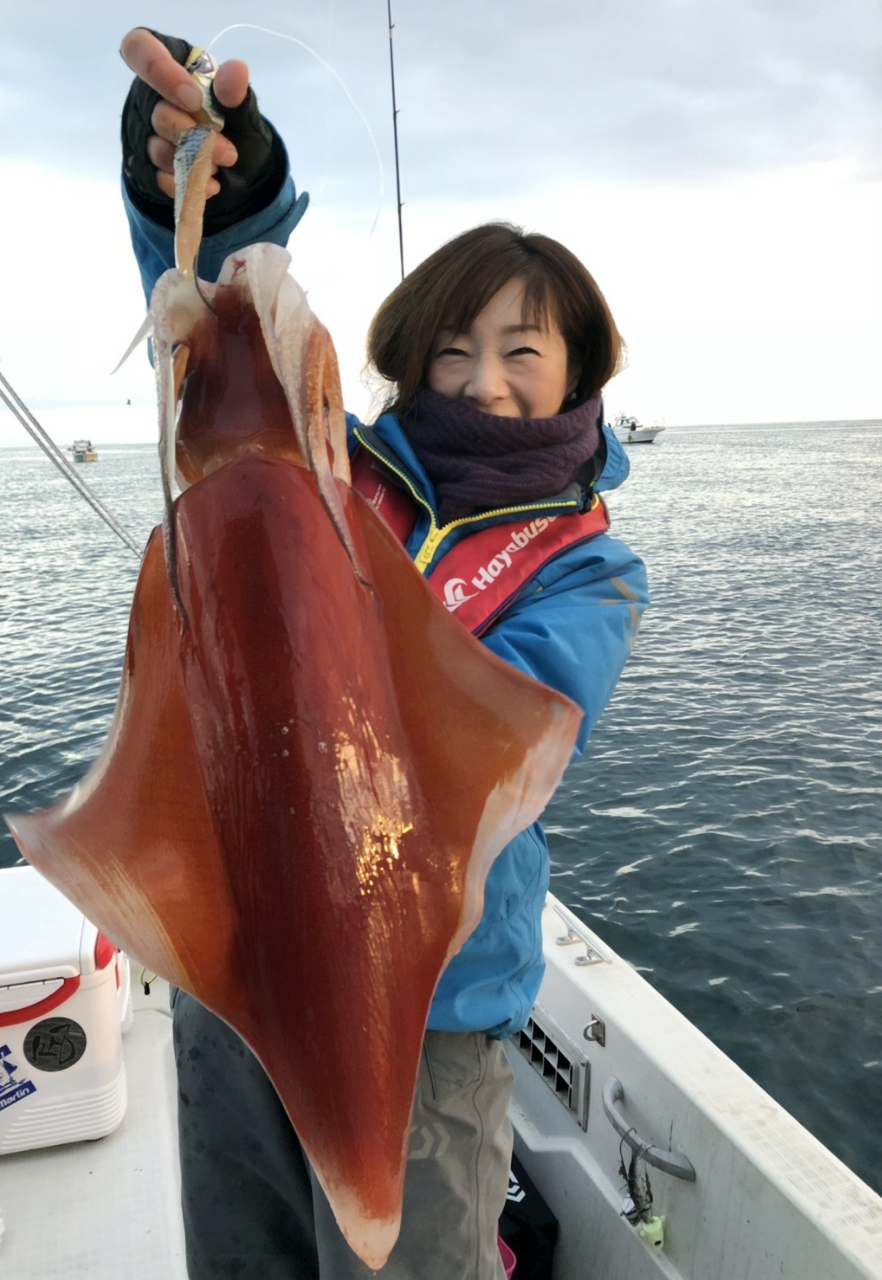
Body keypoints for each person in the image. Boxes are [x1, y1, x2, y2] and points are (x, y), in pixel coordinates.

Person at [119, 28, 648, 1280]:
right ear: (409, 360)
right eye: (452, 351)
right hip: (240, 959)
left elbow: (512, 729)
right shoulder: (336, 468)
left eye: (523, 351)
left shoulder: (585, 567)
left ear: (580, 370)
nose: (483, 380)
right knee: (242, 1254)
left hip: (432, 1009)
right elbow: (218, 354)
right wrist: (211, 191)